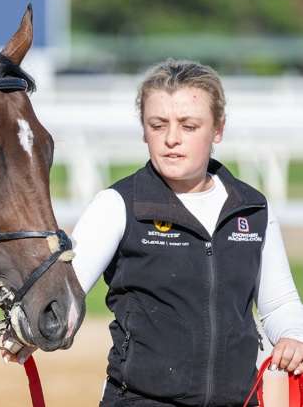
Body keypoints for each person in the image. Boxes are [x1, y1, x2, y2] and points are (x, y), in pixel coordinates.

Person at [70, 59, 303, 406]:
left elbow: (279, 304)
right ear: (144, 130)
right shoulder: (116, 205)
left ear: (218, 129)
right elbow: (64, 293)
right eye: (157, 125)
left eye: (189, 126)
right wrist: (25, 332)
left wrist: (293, 335)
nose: (171, 139)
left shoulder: (253, 208)